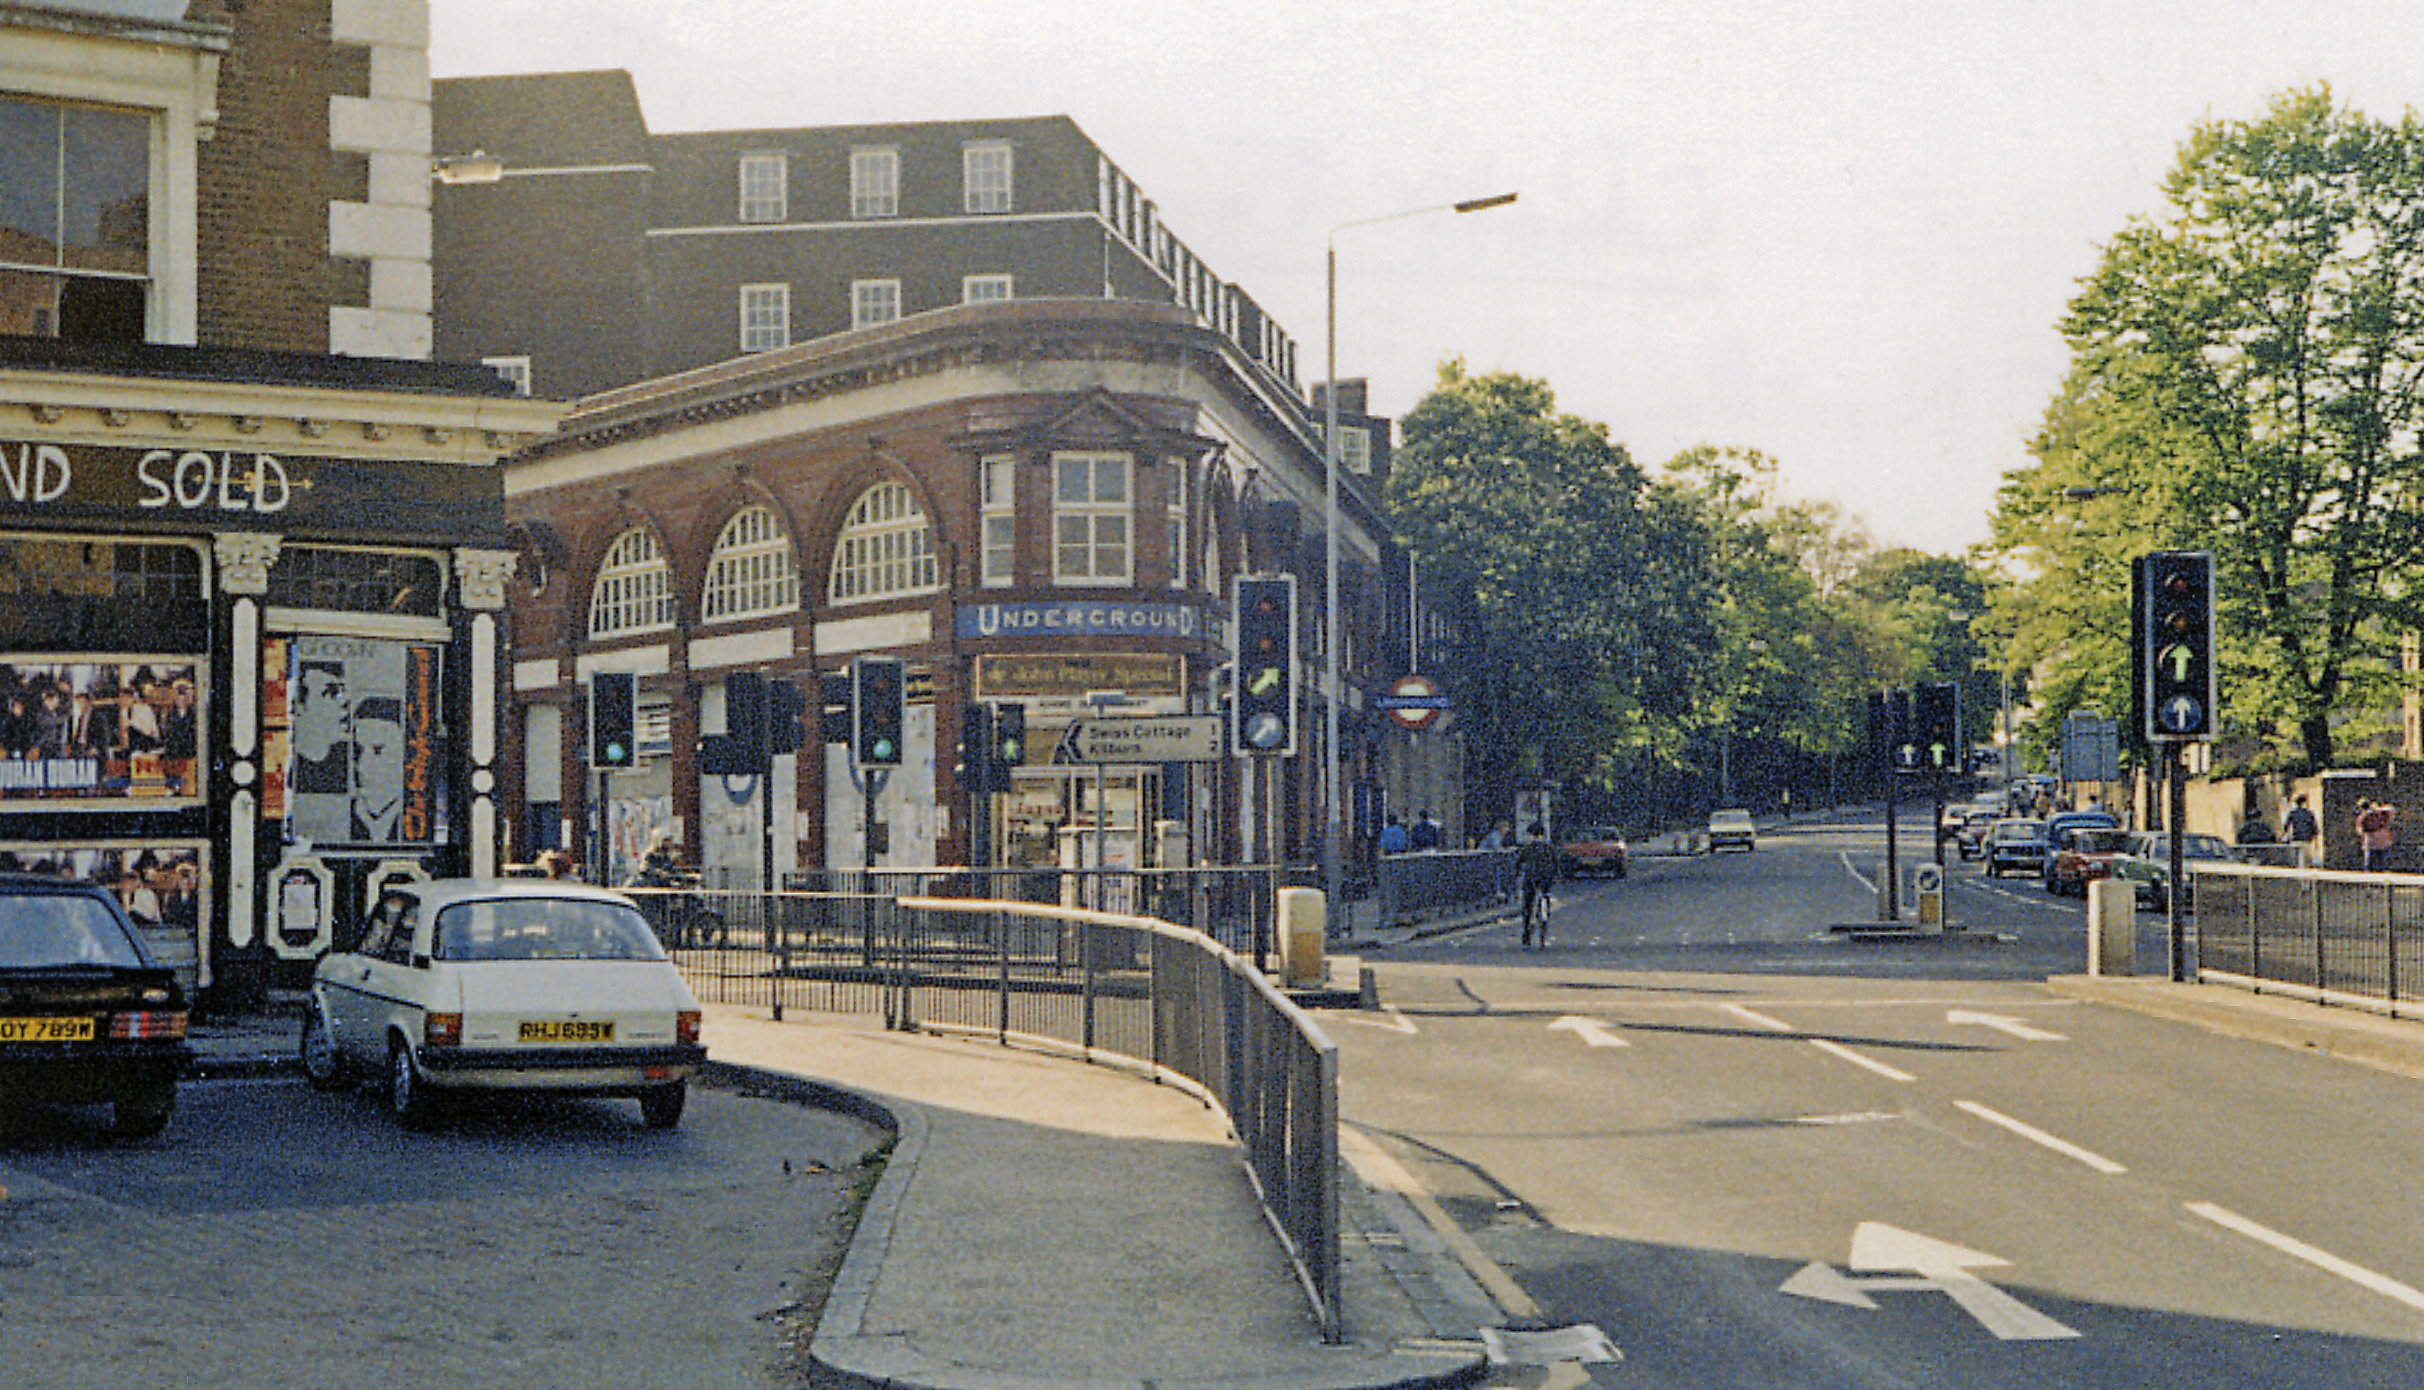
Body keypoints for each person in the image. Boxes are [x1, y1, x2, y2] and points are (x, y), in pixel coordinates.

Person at [1516, 824, 1560, 949]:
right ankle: (1544, 925)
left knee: (1527, 905)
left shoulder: (1528, 848)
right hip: (1546, 880)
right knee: (1545, 898)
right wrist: (1555, 878)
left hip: (1531, 880)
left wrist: (1518, 875)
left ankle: (1525, 934)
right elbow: (1556, 864)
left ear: (1531, 835)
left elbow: (1519, 863)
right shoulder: (1549, 848)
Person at [2357, 799, 2398, 871]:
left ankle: (2370, 873)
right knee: (2380, 859)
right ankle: (2380, 871)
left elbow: (2360, 830)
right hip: (2381, 838)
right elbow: (2392, 810)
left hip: (2371, 839)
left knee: (2370, 861)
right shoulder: (2380, 812)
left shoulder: (2364, 816)